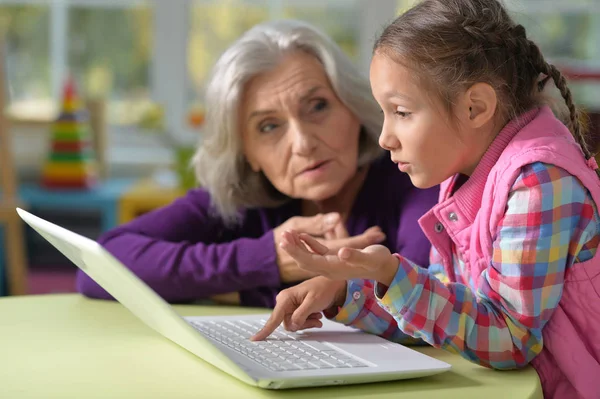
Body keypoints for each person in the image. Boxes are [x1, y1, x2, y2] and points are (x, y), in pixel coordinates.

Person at [252, 2, 600, 398]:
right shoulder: (464, 174)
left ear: (475, 107)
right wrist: (346, 290)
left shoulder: (540, 182)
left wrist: (391, 274)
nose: (385, 138)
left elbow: (508, 338)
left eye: (401, 112)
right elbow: (452, 304)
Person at [76, 20, 439, 308]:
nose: (303, 143)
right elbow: (97, 269)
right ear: (245, 150)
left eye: (317, 106)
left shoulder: (413, 175)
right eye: (268, 126)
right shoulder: (240, 200)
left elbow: (429, 299)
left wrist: (243, 291)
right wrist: (268, 259)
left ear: (353, 106)